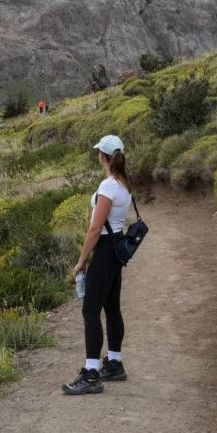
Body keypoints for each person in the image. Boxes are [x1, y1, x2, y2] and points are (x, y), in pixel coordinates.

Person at [62, 134, 133, 395]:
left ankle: (91, 374)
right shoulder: (124, 184)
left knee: (90, 311)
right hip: (116, 251)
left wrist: (82, 261)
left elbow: (94, 229)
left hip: (103, 250)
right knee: (112, 308)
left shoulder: (107, 186)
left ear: (101, 156)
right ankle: (114, 363)